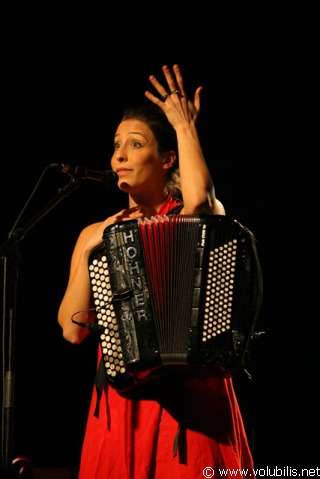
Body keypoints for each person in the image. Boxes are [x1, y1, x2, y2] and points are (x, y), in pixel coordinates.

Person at [58, 64, 255, 479]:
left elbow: (200, 202)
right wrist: (94, 247)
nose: (120, 155)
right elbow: (72, 329)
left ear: (167, 159)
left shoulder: (193, 221)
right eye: (116, 145)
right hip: (122, 406)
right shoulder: (94, 233)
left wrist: (184, 126)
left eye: (135, 143)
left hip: (189, 406)